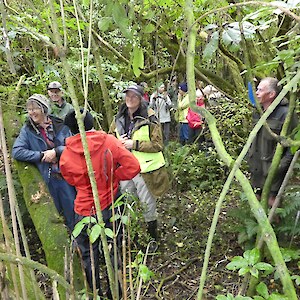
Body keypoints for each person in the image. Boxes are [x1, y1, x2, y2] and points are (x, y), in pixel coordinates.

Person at [60, 109, 140, 297]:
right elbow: (133, 166)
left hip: (84, 211)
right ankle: (119, 294)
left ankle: (96, 293)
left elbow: (69, 179)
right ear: (91, 123)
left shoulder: (67, 154)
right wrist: (112, 177)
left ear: (71, 129)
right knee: (114, 251)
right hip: (110, 206)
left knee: (89, 256)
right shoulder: (109, 142)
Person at [109, 84, 170, 243]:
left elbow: (158, 145)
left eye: (134, 96)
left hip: (145, 170)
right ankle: (134, 237)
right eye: (128, 95)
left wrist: (134, 144)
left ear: (141, 98)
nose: (130, 99)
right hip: (124, 169)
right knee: (128, 202)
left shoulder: (149, 118)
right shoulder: (119, 117)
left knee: (147, 204)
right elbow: (108, 139)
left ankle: (152, 239)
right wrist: (117, 142)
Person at [12, 94, 76, 230]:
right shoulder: (28, 130)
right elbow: (17, 151)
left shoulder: (60, 125)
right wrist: (41, 155)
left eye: (35, 108)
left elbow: (75, 147)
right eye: (29, 109)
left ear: (44, 109)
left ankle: (80, 247)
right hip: (48, 179)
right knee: (55, 217)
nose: (32, 112)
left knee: (73, 214)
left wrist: (57, 151)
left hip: (67, 176)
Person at [248, 77, 298, 208]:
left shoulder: (286, 114)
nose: (256, 92)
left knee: (273, 207)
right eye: (256, 89)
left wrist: (279, 167)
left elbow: (294, 146)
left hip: (273, 171)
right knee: (257, 203)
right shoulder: (257, 111)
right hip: (257, 169)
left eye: (260, 90)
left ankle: (275, 227)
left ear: (271, 94)